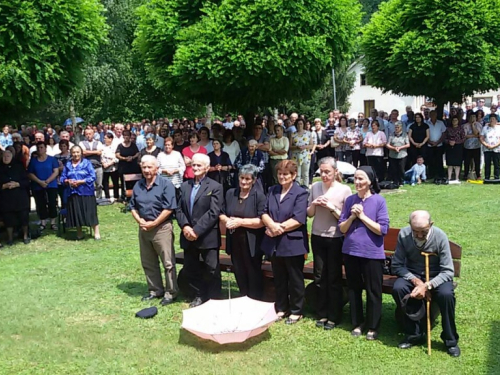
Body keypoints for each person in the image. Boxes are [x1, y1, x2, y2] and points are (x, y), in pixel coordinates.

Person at [391, 210, 460, 357]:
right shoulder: (404, 234)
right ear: (410, 225)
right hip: (413, 276)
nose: (420, 235)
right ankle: (414, 334)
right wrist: (416, 281)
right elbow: (397, 265)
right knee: (399, 288)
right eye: (416, 232)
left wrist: (427, 285)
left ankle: (450, 340)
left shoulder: (440, 236)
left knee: (446, 294)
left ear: (431, 224)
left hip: (437, 276)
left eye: (424, 231)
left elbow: (448, 271)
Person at [339, 166, 389, 340]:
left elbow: (382, 229)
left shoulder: (379, 201)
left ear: (370, 181)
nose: (357, 182)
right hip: (351, 251)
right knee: (353, 289)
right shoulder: (350, 200)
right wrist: (352, 217)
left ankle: (373, 326)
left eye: (361, 178)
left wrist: (362, 217)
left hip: (372, 254)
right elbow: (342, 227)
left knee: (373, 290)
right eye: (355, 178)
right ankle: (357, 322)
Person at [261, 160, 309, 324]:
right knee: (279, 277)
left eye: (286, 174)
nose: (282, 177)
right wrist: (272, 225)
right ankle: (282, 308)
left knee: (295, 278)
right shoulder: (272, 190)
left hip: (292, 242)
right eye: (280, 174)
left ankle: (296, 310)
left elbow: (299, 218)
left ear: (294, 175)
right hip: (274, 243)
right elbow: (264, 212)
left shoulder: (301, 193)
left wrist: (277, 228)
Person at [307, 157, 351, 330]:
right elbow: (309, 214)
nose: (324, 175)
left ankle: (334, 315)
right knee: (319, 276)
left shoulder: (344, 190)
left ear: (335, 172)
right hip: (317, 236)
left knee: (333, 277)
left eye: (327, 172)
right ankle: (322, 312)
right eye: (321, 172)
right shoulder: (315, 187)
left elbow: (345, 219)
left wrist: (332, 207)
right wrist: (314, 204)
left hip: (335, 238)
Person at [130, 155, 178, 306]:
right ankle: (155, 290)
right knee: (148, 262)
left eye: (150, 167)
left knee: (168, 263)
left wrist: (155, 223)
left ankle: (171, 293)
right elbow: (132, 206)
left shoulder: (166, 185)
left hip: (162, 228)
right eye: (144, 167)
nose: (146, 170)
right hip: (144, 229)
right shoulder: (138, 185)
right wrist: (140, 221)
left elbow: (169, 207)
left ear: (157, 168)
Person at [176, 153, 223, 307]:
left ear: (207, 168)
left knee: (211, 269)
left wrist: (196, 230)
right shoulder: (184, 186)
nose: (195, 168)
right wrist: (186, 227)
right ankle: (199, 295)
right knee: (191, 268)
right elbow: (179, 209)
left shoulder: (215, 187)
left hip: (206, 236)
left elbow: (213, 212)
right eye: (193, 165)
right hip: (188, 235)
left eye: (199, 165)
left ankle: (215, 298)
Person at [220, 164, 266, 300]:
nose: (244, 182)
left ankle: (255, 298)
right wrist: (226, 220)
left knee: (253, 271)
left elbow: (261, 221)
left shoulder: (259, 196)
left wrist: (240, 222)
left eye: (247, 179)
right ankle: (243, 295)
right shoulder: (230, 193)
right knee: (238, 269)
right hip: (234, 240)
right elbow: (221, 212)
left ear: (254, 180)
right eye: (241, 178)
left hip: (252, 241)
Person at [60, 146, 101, 240]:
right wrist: (67, 181)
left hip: (86, 192)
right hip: (72, 192)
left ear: (81, 153)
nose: (76, 154)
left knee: (90, 212)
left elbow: (92, 177)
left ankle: (96, 232)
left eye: (77, 152)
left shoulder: (87, 163)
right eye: (74, 152)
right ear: (71, 153)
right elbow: (62, 178)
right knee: (76, 213)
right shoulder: (68, 164)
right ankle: (79, 233)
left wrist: (81, 181)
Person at [0, 150, 31, 246]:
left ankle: (25, 236)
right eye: (4, 156)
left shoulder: (19, 166)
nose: (6, 158)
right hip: (5, 197)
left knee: (23, 217)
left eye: (8, 156)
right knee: (8, 218)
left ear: (12, 157)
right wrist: (3, 186)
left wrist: (17, 184)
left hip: (19, 196)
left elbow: (26, 181)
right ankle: (10, 238)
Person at [27, 142, 59, 231]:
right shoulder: (33, 161)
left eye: (41, 147)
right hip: (37, 186)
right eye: (38, 148)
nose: (40, 149)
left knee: (52, 203)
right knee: (41, 204)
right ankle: (43, 222)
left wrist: (47, 181)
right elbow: (30, 173)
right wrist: (40, 182)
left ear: (45, 148)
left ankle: (53, 222)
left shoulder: (52, 159)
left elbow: (56, 171)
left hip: (51, 185)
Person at [115, 130, 141, 200]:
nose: (126, 137)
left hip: (133, 167)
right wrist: (124, 158)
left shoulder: (133, 145)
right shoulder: (120, 145)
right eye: (125, 135)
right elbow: (117, 155)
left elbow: (137, 153)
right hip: (123, 167)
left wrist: (132, 157)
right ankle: (124, 197)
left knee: (133, 182)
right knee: (123, 183)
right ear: (123, 136)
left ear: (130, 136)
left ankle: (133, 197)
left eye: (128, 135)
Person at [79, 127, 104, 199]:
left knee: (99, 184)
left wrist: (88, 152)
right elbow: (83, 152)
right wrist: (95, 151)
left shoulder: (98, 142)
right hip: (87, 167)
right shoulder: (81, 143)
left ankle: (99, 198)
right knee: (89, 184)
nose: (88, 135)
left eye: (90, 134)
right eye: (86, 134)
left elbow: (100, 153)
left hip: (98, 166)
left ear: (93, 134)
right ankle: (90, 198)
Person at [290, 119, 314, 187]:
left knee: (305, 173)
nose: (299, 125)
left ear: (303, 125)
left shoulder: (308, 133)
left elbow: (312, 145)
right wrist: (296, 147)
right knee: (297, 173)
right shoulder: (293, 134)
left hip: (305, 155)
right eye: (298, 124)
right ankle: (297, 188)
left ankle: (306, 188)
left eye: (301, 124)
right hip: (296, 156)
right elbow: (290, 146)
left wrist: (305, 146)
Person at [386, 121, 410, 186]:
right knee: (394, 169)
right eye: (396, 127)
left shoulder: (405, 135)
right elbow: (387, 144)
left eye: (398, 127)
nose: (396, 128)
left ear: (401, 128)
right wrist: (394, 148)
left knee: (401, 169)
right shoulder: (391, 135)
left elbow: (408, 144)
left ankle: (402, 181)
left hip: (402, 154)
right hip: (393, 155)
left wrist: (400, 147)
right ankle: (395, 181)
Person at [426, 110, 447, 180]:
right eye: (431, 115)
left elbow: (444, 133)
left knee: (439, 160)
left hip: (439, 145)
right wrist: (430, 142)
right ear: (429, 115)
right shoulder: (426, 123)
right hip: (429, 145)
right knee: (430, 160)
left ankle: (440, 174)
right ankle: (431, 174)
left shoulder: (440, 123)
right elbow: (425, 134)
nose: (433, 116)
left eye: (434, 115)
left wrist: (438, 142)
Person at [443, 117, 466, 182]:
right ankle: (449, 177)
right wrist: (449, 142)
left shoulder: (461, 129)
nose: (454, 121)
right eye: (453, 120)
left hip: (458, 147)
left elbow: (463, 138)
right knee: (450, 163)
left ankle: (457, 178)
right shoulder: (448, 129)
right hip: (449, 147)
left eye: (456, 120)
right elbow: (444, 138)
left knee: (457, 163)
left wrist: (456, 142)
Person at [463, 113, 482, 180]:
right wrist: (474, 136)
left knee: (477, 162)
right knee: (467, 162)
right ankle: (465, 175)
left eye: (474, 117)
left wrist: (473, 125)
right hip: (467, 146)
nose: (472, 118)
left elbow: (478, 133)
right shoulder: (465, 125)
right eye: (471, 117)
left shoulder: (478, 125)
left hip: (476, 146)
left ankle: (478, 175)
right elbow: (465, 135)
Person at [480, 116, 500, 180]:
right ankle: (487, 177)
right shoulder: (485, 128)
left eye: (493, 119)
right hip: (487, 149)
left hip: (496, 149)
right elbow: (481, 138)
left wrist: (495, 145)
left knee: (496, 164)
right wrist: (486, 145)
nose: (492, 121)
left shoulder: (499, 128)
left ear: (496, 121)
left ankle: (496, 177)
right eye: (490, 119)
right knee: (487, 164)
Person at [101, 133, 119, 201]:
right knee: (105, 182)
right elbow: (101, 156)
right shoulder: (102, 146)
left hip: (113, 167)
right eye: (104, 138)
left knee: (115, 182)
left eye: (106, 138)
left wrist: (109, 163)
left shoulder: (115, 147)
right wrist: (103, 163)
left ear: (110, 139)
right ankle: (107, 197)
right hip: (105, 168)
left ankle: (116, 196)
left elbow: (116, 157)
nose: (104, 139)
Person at [54, 140, 72, 207]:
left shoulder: (71, 156)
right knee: (63, 198)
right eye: (61, 146)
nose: (62, 147)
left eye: (64, 146)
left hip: (70, 179)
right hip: (59, 180)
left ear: (67, 146)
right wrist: (59, 169)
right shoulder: (56, 157)